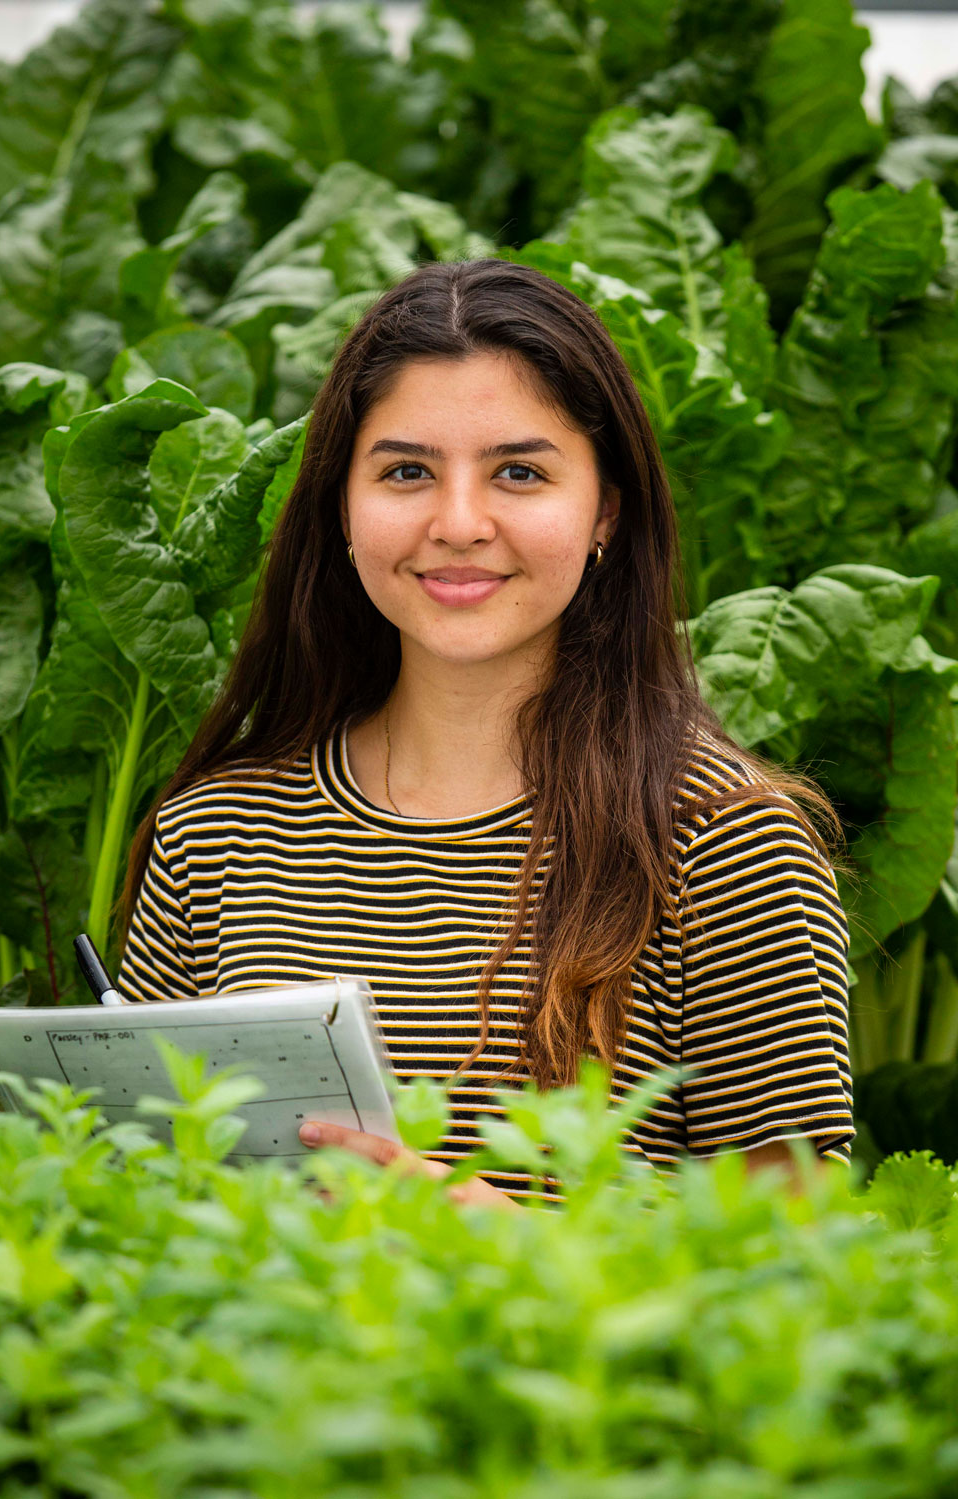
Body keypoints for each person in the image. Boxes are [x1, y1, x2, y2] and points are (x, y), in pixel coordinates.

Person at [117, 258, 854, 1208]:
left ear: (606, 513)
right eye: (407, 471)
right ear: (343, 507)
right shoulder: (212, 835)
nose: (459, 522)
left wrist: (504, 1242)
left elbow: (793, 1263)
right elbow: (125, 1200)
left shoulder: (726, 839)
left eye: (518, 472)